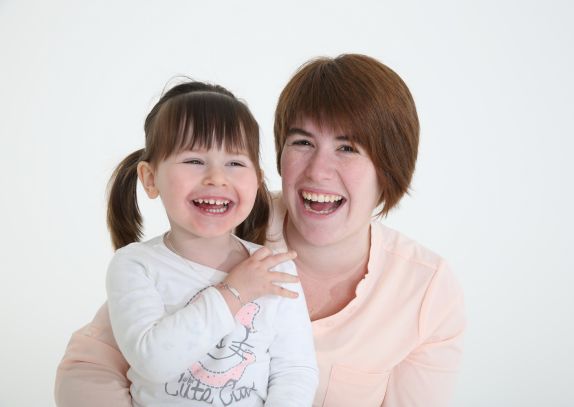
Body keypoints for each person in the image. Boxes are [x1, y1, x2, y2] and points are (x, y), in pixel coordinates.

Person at [56, 54, 466, 407]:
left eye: (348, 148)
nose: (318, 171)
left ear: (390, 168)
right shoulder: (217, 225)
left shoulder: (426, 290)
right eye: (302, 142)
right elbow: (88, 369)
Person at [100, 80, 318, 406]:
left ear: (257, 180)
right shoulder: (135, 266)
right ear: (150, 178)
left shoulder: (273, 268)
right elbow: (152, 360)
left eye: (235, 163)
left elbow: (295, 370)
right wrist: (234, 292)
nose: (216, 178)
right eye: (194, 161)